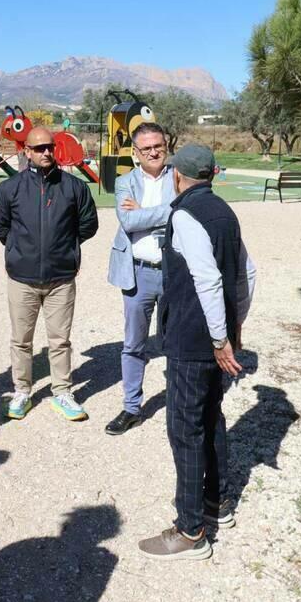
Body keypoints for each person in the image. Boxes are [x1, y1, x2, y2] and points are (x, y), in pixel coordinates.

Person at [138, 144, 256, 561]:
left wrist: (221, 339)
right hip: (215, 337)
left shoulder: (185, 214)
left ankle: (190, 530)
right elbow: (247, 272)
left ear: (176, 175)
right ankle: (217, 503)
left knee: (185, 429)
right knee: (210, 418)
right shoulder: (225, 212)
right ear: (213, 173)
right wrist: (235, 327)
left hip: (194, 339)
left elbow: (207, 279)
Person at [0, 127, 99, 421]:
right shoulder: (9, 189)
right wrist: (19, 248)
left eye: (50, 147)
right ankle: (22, 391)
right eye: (39, 148)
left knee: (60, 340)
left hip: (61, 278)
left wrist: (64, 248)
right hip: (21, 278)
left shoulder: (75, 188)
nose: (46, 152)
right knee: (21, 340)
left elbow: (88, 225)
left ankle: (62, 392)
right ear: (27, 152)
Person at [104, 122, 176, 435]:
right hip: (138, 272)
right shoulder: (124, 182)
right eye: (146, 148)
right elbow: (129, 221)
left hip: (175, 272)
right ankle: (132, 408)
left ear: (166, 146)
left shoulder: (179, 176)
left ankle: (179, 403)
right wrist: (168, 210)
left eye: (157, 146)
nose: (153, 152)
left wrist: (146, 211)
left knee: (175, 342)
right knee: (134, 344)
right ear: (135, 153)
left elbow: (188, 211)